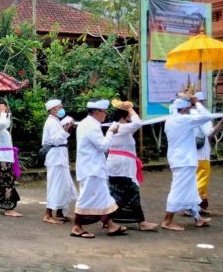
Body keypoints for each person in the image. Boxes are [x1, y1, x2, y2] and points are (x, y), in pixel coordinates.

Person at [71, 99, 125, 239]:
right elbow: (103, 146)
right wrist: (111, 132)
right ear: (96, 112)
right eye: (103, 112)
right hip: (91, 168)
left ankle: (111, 225)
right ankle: (76, 227)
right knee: (86, 197)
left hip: (92, 167)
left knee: (104, 197)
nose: (105, 115)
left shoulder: (87, 123)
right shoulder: (91, 126)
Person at [106, 101, 159, 231]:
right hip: (121, 167)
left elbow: (135, 125)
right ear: (124, 116)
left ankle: (109, 220)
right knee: (131, 192)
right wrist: (130, 108)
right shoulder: (119, 127)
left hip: (120, 165)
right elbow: (137, 123)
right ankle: (141, 222)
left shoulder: (121, 127)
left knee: (118, 194)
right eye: (129, 114)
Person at [162, 96, 213, 231]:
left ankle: (198, 217)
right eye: (189, 108)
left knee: (192, 190)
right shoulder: (183, 119)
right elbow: (208, 116)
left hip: (182, 160)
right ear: (184, 109)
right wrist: (196, 102)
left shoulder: (170, 119)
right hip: (183, 160)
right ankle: (167, 221)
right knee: (177, 190)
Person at [42, 99, 77, 224]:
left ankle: (60, 213)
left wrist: (66, 128)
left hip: (60, 157)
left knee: (64, 186)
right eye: (59, 107)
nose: (62, 109)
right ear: (52, 110)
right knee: (55, 186)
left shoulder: (56, 121)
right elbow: (56, 141)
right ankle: (48, 214)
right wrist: (65, 130)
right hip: (55, 157)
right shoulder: (51, 122)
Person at [191, 92, 215, 215]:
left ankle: (201, 204)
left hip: (191, 152)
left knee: (197, 179)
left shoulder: (188, 114)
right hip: (202, 153)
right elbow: (209, 133)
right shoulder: (202, 116)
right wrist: (219, 126)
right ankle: (190, 203)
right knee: (202, 179)